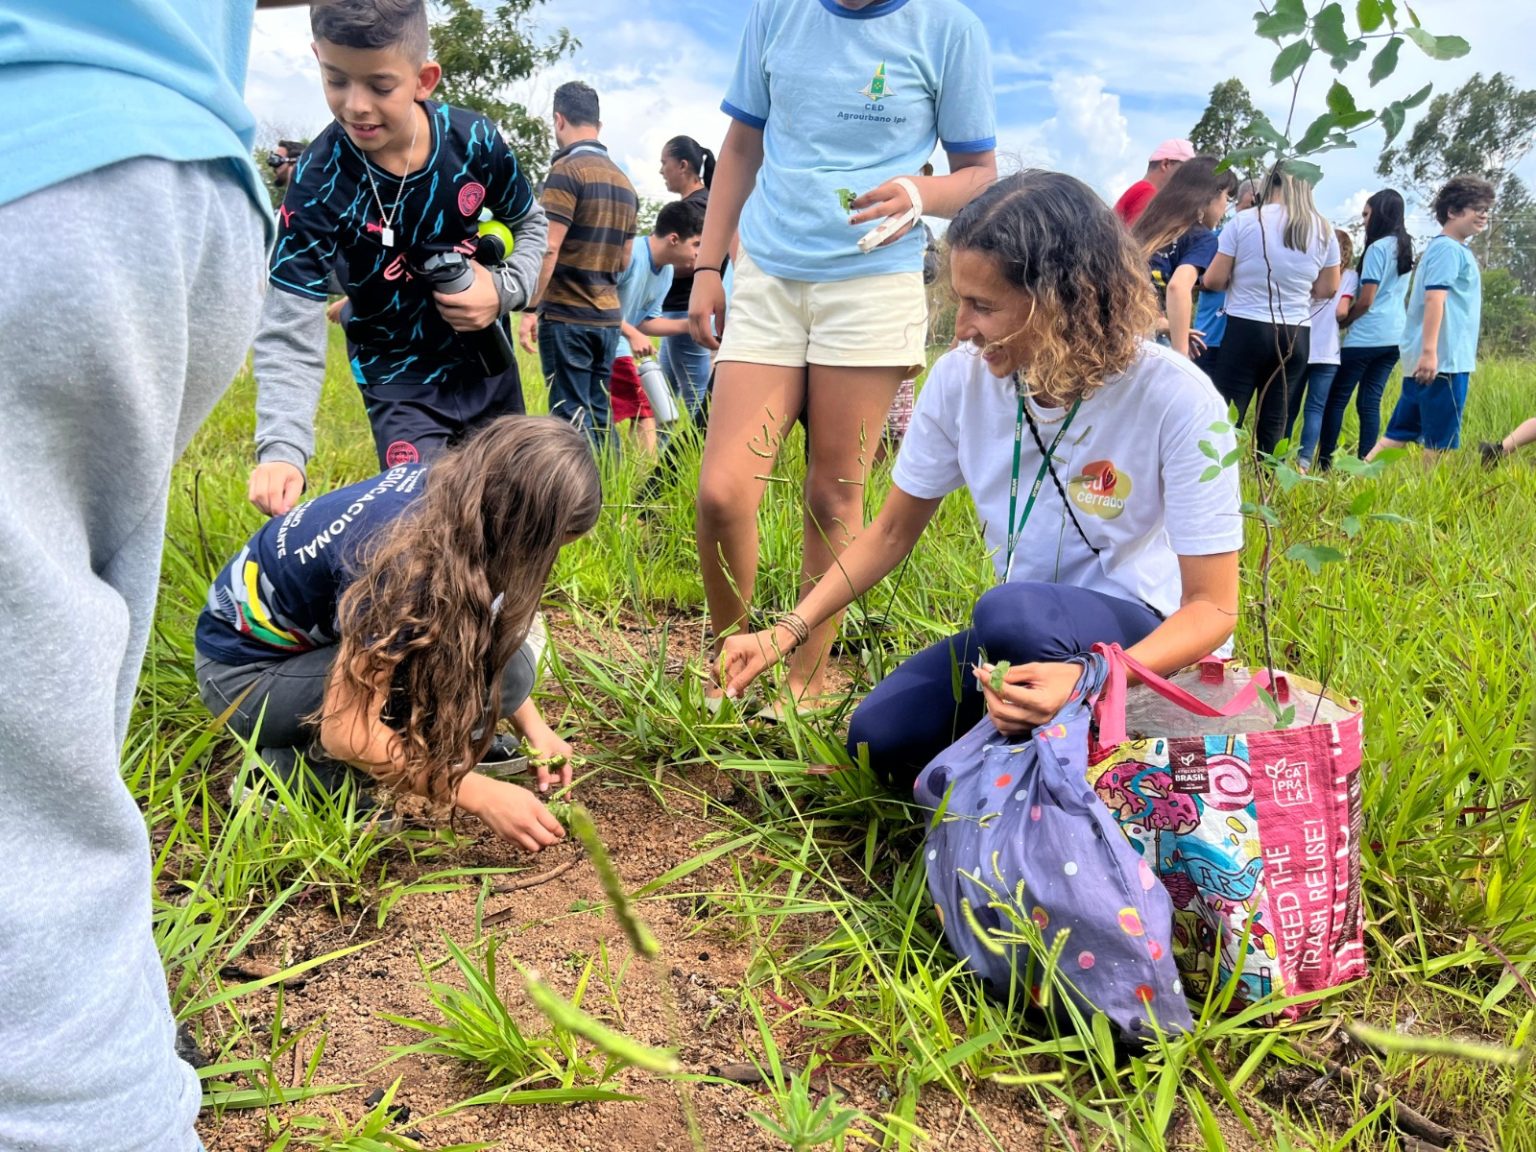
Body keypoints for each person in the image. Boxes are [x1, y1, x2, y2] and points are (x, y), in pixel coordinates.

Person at [718, 171, 1242, 787]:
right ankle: (1025, 744)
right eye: (960, 301)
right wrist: (787, 630)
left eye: (984, 306)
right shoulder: (960, 380)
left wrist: (1091, 677)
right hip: (1026, 635)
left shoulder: (1175, 398)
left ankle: (1063, 742)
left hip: (1145, 641)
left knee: (1011, 613)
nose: (962, 329)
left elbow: (1212, 608)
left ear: (1063, 300)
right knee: (877, 740)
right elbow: (890, 533)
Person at [0, 3, 278, 1150]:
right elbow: (368, 700)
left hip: (39, 159)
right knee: (37, 780)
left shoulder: (433, 531)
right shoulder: (391, 558)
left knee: (31, 789)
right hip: (184, 177)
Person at [690, 0, 998, 711]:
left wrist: (920, 191)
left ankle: (804, 680)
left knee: (834, 495)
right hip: (768, 271)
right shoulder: (777, 13)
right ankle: (733, 664)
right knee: (722, 492)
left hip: (871, 278)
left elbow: (980, 174)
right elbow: (741, 147)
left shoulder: (949, 29)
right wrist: (708, 266)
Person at [196, 417, 598, 850]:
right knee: (411, 679)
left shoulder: (461, 495)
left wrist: (535, 729)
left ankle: (419, 750)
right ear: (517, 525)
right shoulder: (407, 561)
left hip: (313, 651)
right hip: (246, 679)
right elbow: (347, 728)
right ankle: (288, 772)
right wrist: (477, 795)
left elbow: (483, 633)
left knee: (512, 671)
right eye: (546, 549)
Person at [248, 0, 549, 517]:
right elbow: (290, 319)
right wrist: (282, 447)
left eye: (380, 86)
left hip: (485, 361)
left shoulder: (474, 142)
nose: (356, 106)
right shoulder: (317, 182)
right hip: (396, 376)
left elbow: (530, 223)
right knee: (425, 518)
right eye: (336, 80)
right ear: (317, 58)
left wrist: (502, 291)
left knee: (510, 509)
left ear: (423, 79)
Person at [518, 81, 639, 450]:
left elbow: (549, 247)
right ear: (597, 125)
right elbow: (625, 259)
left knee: (569, 417)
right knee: (600, 415)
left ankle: (578, 489)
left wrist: (530, 309)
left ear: (559, 120)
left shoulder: (567, 171)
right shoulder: (625, 182)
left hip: (567, 315)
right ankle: (611, 484)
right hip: (607, 319)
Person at [1201, 162, 1341, 457]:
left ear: (1269, 182)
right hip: (1296, 332)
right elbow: (1329, 288)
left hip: (1246, 328)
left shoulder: (1245, 221)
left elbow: (1213, 280)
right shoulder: (1323, 229)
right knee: (1275, 423)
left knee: (1227, 418)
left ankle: (1220, 477)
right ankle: (1268, 479)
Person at [1368, 175, 1494, 465]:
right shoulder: (1448, 249)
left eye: (1486, 209)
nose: (1484, 215)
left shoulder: (1450, 249)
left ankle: (1354, 480)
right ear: (1452, 211)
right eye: (1477, 208)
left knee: (1398, 433)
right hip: (1444, 361)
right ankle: (1431, 490)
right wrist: (1430, 353)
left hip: (1433, 359)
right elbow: (1435, 298)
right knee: (1440, 442)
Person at [1312, 189, 1415, 470]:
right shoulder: (1405, 247)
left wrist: (1345, 322)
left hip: (1366, 336)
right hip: (1395, 336)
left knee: (1336, 400)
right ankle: (1366, 465)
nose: (1364, 220)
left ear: (1380, 214)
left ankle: (1324, 463)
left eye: (1367, 214)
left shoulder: (1377, 249)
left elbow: (1367, 299)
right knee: (1370, 402)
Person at [608, 198, 708, 453]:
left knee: (640, 411)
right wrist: (631, 333)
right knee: (646, 410)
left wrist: (694, 326)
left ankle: (624, 469)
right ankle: (644, 475)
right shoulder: (630, 255)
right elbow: (597, 301)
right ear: (674, 239)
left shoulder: (667, 272)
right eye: (696, 244)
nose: (699, 253)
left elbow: (646, 321)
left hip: (619, 345)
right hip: (603, 341)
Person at [1131, 155, 1237, 359]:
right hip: (1142, 342)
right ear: (1210, 196)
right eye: (1227, 197)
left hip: (1112, 331)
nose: (1225, 208)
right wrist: (1181, 356)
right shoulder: (1202, 238)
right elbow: (1178, 288)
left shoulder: (1147, 227)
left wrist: (1167, 326)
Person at [657, 135, 717, 421]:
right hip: (679, 309)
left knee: (696, 401)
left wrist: (658, 262)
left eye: (664, 163)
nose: (661, 170)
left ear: (682, 165)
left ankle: (700, 449)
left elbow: (701, 260)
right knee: (663, 397)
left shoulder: (698, 208)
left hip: (687, 307)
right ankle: (660, 449)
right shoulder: (702, 203)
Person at [1295, 230, 1358, 469]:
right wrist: (1342, 322)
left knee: (1289, 405)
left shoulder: (1311, 270)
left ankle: (1277, 458)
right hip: (1328, 351)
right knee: (1315, 408)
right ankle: (1304, 463)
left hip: (1301, 345)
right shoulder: (1349, 277)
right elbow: (1342, 311)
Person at [1191, 178, 1258, 377]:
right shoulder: (1213, 240)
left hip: (1244, 339)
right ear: (1236, 206)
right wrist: (1214, 279)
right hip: (1209, 336)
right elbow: (1190, 281)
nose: (1252, 214)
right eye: (1248, 207)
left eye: (1258, 208)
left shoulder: (1265, 250)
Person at [1113, 139, 1196, 225]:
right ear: (1166, 164)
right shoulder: (1149, 193)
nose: (1186, 178)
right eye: (1185, 170)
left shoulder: (1142, 188)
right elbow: (1136, 233)